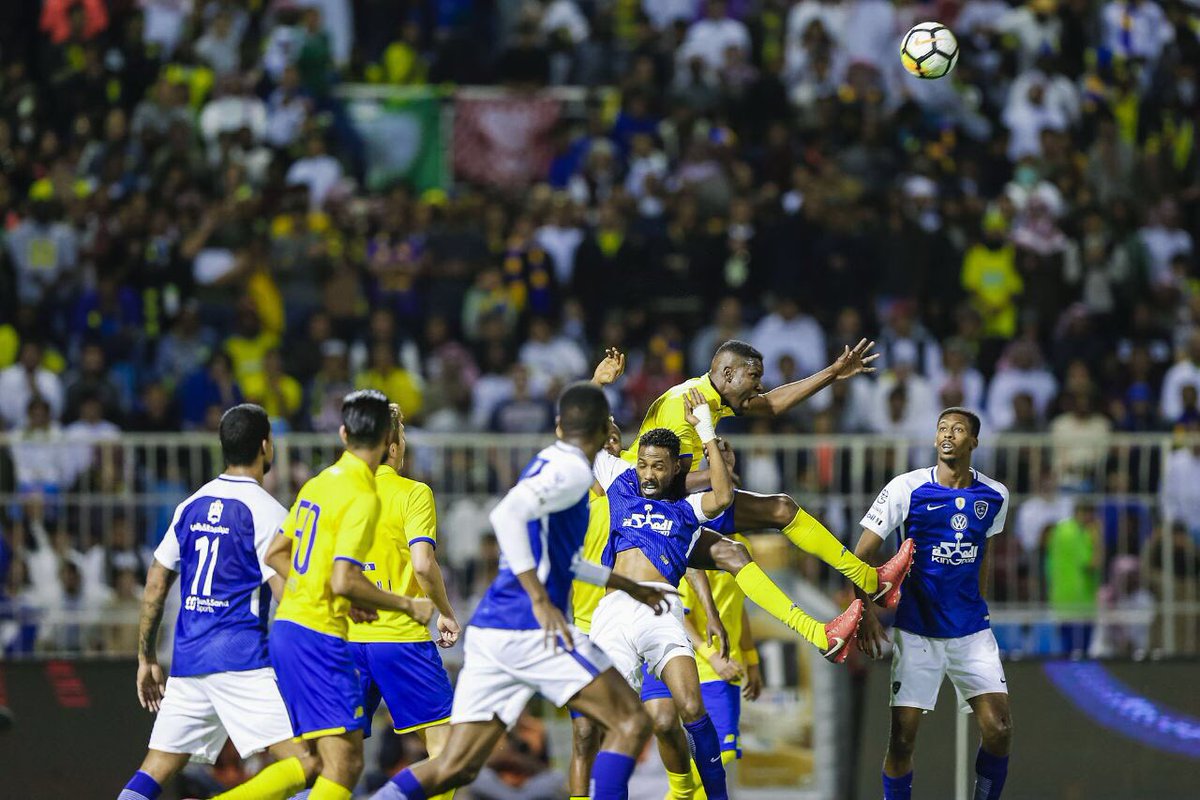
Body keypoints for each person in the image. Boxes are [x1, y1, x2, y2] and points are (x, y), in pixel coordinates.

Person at [368, 382, 674, 800]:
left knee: (456, 765)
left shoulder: (551, 462)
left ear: (558, 425)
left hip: (493, 633)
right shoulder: (570, 471)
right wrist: (539, 600)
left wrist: (624, 584)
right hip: (528, 628)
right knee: (630, 722)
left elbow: (558, 558)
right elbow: (506, 514)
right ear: (607, 433)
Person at [589, 391, 867, 799]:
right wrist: (602, 396)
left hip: (661, 607)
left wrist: (706, 431)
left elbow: (721, 496)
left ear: (677, 470)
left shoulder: (685, 510)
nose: (648, 473)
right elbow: (583, 430)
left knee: (689, 709)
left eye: (657, 468)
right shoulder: (621, 481)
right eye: (643, 465)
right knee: (606, 723)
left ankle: (824, 628)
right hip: (610, 605)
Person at [595, 341, 914, 611]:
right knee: (774, 514)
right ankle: (866, 584)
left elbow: (772, 405)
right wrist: (715, 475)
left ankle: (862, 588)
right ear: (728, 374)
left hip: (658, 499)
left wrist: (832, 373)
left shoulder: (710, 396)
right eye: (754, 376)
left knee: (758, 530)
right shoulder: (685, 407)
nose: (760, 385)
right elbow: (662, 483)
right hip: (639, 505)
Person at [117, 404, 320, 800]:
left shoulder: (189, 506)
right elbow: (287, 595)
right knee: (310, 764)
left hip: (189, 662)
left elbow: (156, 583)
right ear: (266, 446)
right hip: (242, 662)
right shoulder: (270, 513)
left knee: (154, 769)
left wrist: (146, 658)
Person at [265, 390, 436, 800]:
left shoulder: (318, 484)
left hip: (298, 630)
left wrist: (334, 594)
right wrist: (408, 604)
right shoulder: (365, 494)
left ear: (343, 433)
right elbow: (347, 578)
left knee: (328, 764)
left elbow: (276, 555)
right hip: (332, 636)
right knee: (443, 755)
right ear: (389, 444)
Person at [854, 408, 1013, 800]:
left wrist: (978, 600)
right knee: (903, 741)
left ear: (973, 441)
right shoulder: (906, 488)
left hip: (971, 631)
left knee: (999, 730)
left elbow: (983, 552)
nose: (947, 435)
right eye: (942, 428)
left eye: (958, 430)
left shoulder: (995, 495)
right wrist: (867, 613)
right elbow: (860, 554)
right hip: (917, 630)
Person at [347, 403, 460, 798]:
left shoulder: (338, 492)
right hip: (399, 637)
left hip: (346, 637)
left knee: (334, 757)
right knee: (444, 751)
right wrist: (446, 612)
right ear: (393, 448)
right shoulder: (413, 492)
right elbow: (424, 565)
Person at [638, 534, 762, 799]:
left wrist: (752, 660)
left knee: (724, 751)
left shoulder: (742, 545)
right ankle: (675, 795)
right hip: (697, 664)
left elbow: (737, 606)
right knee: (710, 749)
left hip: (727, 662)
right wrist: (713, 656)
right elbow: (679, 616)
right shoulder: (694, 548)